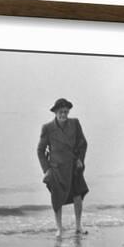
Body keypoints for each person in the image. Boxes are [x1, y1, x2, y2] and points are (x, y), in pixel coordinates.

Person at [37, 98, 89, 237]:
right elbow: (40, 150)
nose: (63, 115)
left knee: (78, 196)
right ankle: (59, 228)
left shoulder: (75, 123)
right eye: (61, 112)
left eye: (66, 112)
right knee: (57, 198)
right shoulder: (47, 128)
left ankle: (78, 226)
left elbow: (83, 143)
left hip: (73, 167)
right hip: (56, 169)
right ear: (55, 112)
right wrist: (46, 170)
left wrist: (80, 160)